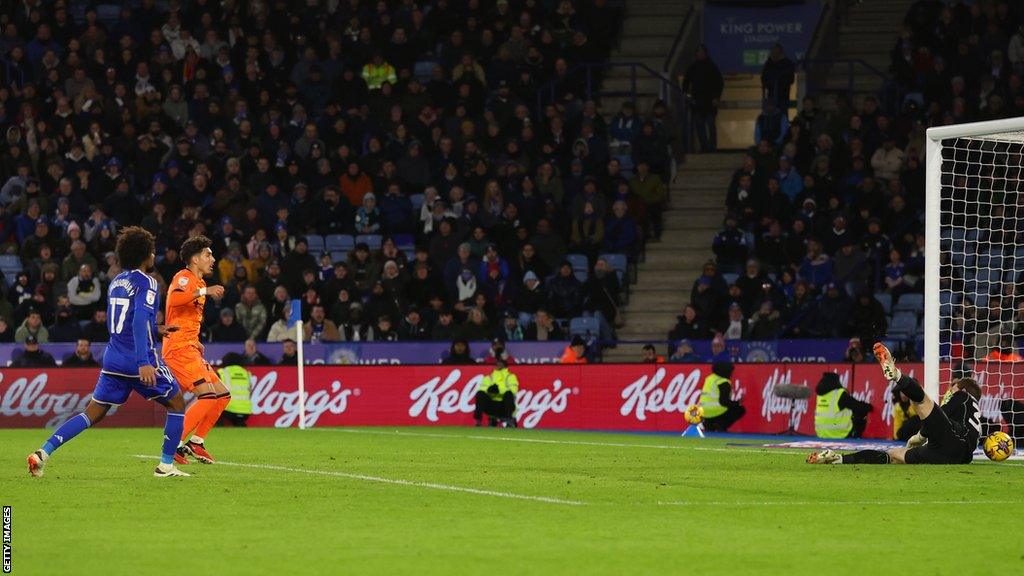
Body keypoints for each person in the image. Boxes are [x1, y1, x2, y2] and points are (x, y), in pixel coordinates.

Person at [27, 226, 189, 478]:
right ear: (145, 254)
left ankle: (43, 452)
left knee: (92, 412)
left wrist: (155, 328)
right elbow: (135, 323)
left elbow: (126, 320)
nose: (154, 255)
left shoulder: (117, 281)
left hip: (113, 359)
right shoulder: (148, 282)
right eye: (152, 251)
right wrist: (143, 362)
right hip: (138, 359)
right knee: (177, 402)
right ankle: (166, 466)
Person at [808, 343, 982, 465]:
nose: (950, 391)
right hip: (950, 456)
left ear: (962, 390)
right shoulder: (975, 417)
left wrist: (919, 436)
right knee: (892, 456)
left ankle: (896, 374)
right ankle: (839, 459)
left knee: (923, 401)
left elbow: (938, 417)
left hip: (952, 442)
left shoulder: (964, 397)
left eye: (953, 387)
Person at [163, 235, 230, 465]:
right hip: (178, 348)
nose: (212, 259)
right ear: (194, 259)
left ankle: (196, 442)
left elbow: (186, 316)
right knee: (207, 395)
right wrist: (205, 292)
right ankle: (173, 446)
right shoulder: (184, 277)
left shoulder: (199, 283)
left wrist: (196, 338)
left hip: (190, 345)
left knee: (222, 395)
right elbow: (175, 300)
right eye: (207, 254)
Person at [813, 372, 874, 439]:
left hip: (821, 433)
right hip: (839, 433)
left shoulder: (819, 395)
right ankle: (856, 437)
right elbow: (857, 405)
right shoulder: (839, 394)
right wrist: (870, 407)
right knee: (860, 411)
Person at [473, 358, 519, 427]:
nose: (499, 365)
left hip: (504, 405)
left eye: (501, 364)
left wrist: (499, 390)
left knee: (509, 394)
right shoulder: (489, 377)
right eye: (497, 364)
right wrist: (489, 390)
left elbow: (513, 390)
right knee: (480, 394)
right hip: (492, 405)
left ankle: (509, 419)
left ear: (505, 366)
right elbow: (482, 388)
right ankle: (478, 420)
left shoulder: (510, 376)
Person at [700, 361, 745, 431]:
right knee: (740, 409)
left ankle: (709, 425)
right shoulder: (723, 382)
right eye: (730, 371)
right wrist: (738, 402)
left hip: (704, 413)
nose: (731, 373)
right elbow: (723, 402)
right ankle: (721, 425)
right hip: (716, 412)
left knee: (710, 434)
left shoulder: (709, 378)